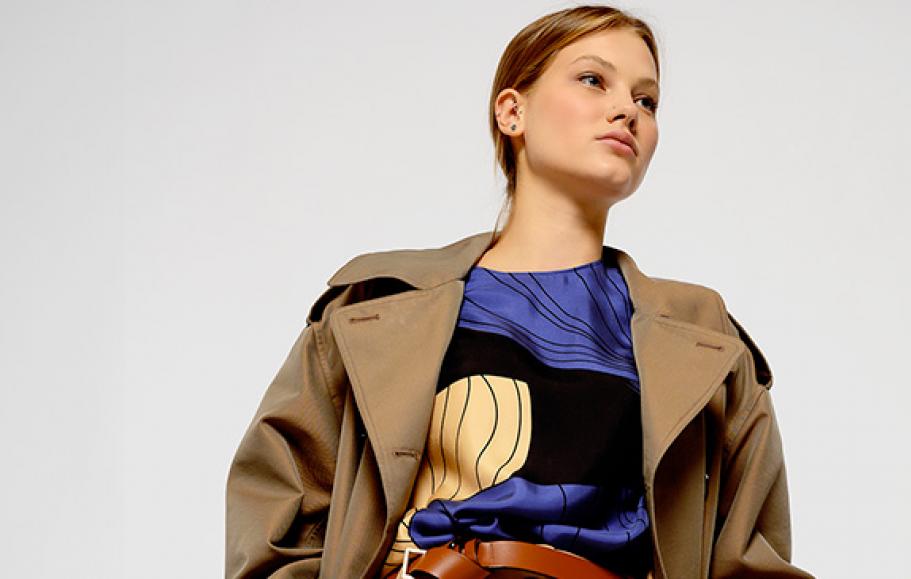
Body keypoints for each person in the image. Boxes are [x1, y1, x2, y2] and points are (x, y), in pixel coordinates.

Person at [225, 5, 813, 579]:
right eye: (593, 80)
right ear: (512, 112)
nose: (626, 111)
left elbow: (752, 560)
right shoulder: (377, 306)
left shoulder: (703, 337)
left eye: (647, 101)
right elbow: (279, 517)